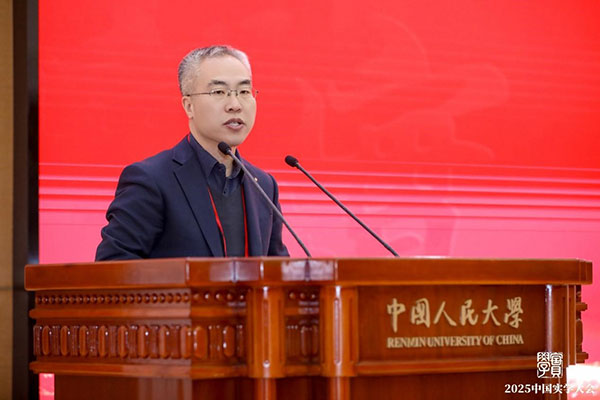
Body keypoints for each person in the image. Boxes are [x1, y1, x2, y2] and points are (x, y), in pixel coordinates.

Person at [95, 45, 289, 260]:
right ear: (189, 106)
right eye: (219, 92)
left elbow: (278, 268)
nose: (235, 105)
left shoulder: (263, 185)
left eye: (244, 92)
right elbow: (113, 265)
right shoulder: (152, 180)